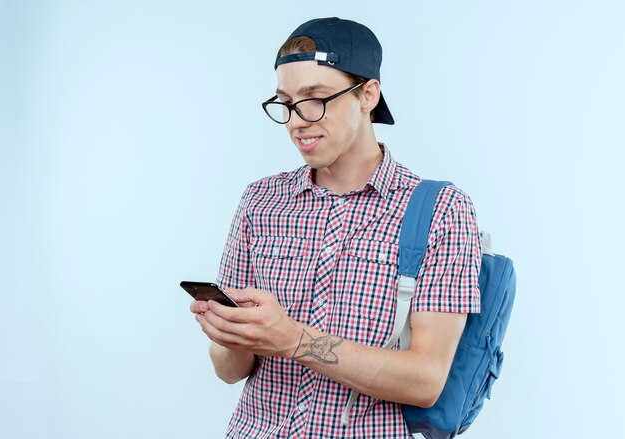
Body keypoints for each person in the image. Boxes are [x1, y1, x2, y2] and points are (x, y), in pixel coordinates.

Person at [190, 17, 481, 438]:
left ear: (368, 94)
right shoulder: (260, 201)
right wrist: (229, 334)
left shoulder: (441, 210)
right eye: (286, 102)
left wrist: (294, 340)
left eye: (315, 99)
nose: (296, 122)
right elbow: (229, 371)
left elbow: (426, 380)